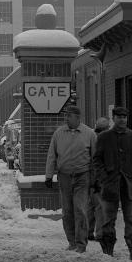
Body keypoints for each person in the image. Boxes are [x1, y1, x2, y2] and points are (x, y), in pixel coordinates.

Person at [93, 106, 132, 260]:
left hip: (130, 185)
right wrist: (103, 177)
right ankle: (107, 251)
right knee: (108, 219)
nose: (122, 119)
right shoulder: (104, 137)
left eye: (124, 117)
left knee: (131, 219)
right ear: (113, 118)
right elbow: (97, 160)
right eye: (119, 117)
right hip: (110, 185)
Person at [45, 105, 96, 253]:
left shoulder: (89, 134)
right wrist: (49, 175)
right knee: (67, 211)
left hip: (82, 176)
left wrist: (96, 179)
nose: (66, 118)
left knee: (80, 209)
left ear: (77, 117)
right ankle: (71, 241)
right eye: (65, 116)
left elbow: (96, 158)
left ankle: (81, 244)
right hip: (64, 176)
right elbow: (52, 155)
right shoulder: (59, 133)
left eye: (69, 116)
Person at [86, 116, 111, 242]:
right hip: (98, 178)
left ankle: (87, 231)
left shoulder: (90, 137)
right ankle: (100, 233)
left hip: (88, 177)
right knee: (100, 207)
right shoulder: (102, 140)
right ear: (106, 128)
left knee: (90, 205)